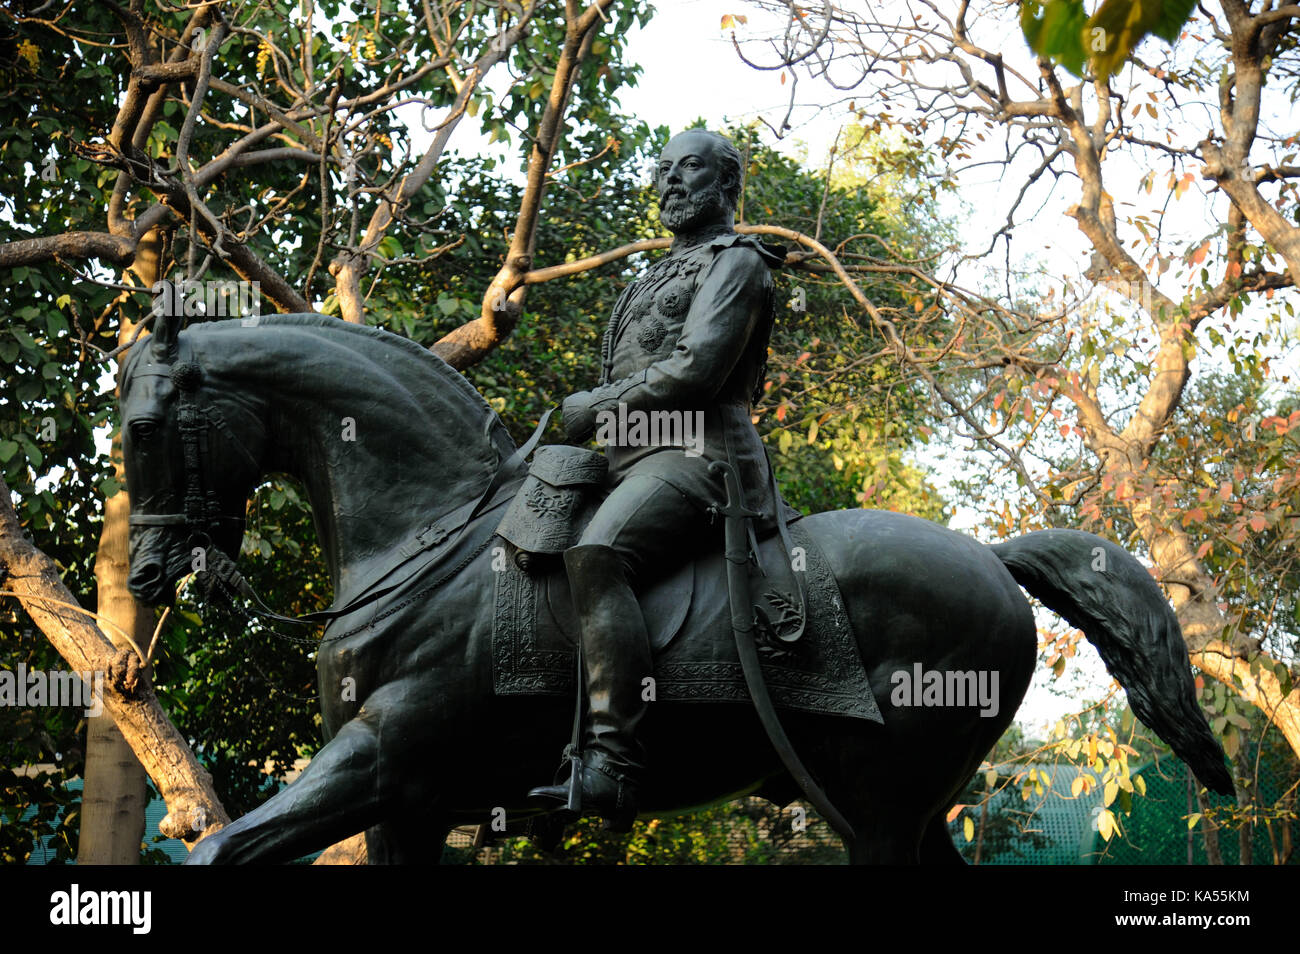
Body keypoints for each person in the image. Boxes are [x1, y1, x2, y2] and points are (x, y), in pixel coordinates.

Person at [528, 129, 789, 830]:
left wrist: (598, 407)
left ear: (727, 182)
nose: (670, 182)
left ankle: (613, 763)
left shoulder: (739, 264)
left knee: (598, 553)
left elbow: (696, 369)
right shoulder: (656, 273)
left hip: (700, 456)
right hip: (628, 459)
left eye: (689, 169)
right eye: (664, 170)